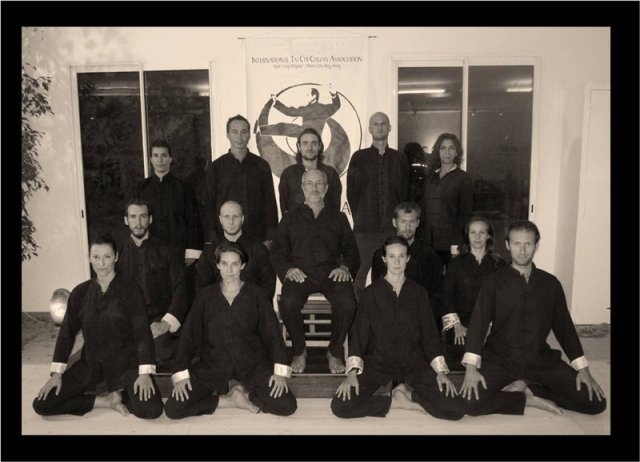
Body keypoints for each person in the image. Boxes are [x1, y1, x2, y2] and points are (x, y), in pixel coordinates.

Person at [460, 221, 606, 417]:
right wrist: (471, 369)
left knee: (596, 403)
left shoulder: (550, 284)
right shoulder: (493, 282)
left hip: (540, 360)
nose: (522, 251)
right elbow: (477, 326)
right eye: (517, 244)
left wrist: (583, 369)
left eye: (527, 244)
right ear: (508, 245)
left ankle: (534, 389)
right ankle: (524, 399)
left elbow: (565, 329)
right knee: (469, 403)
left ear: (536, 245)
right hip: (501, 360)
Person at [331, 236, 464, 420]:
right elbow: (359, 336)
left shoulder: (419, 293)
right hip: (378, 363)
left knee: (456, 409)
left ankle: (409, 395)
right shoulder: (370, 294)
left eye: (401, 256)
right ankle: (393, 402)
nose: (397, 262)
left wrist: (440, 373)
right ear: (384, 259)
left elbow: (430, 336)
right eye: (391, 256)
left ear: (408, 258)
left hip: (414, 363)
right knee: (341, 406)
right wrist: (352, 374)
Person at [33, 235, 163, 419]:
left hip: (126, 365)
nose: (101, 263)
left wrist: (144, 373)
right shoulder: (80, 292)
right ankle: (106, 401)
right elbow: (66, 334)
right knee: (42, 404)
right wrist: (56, 374)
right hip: (90, 364)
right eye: (96, 257)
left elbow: (142, 332)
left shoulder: (131, 290)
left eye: (107, 256)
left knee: (151, 410)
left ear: (116, 257)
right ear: (89, 258)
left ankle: (120, 389)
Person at [164, 242, 297, 419]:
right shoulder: (205, 297)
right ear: (218, 265)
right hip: (213, 366)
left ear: (243, 265)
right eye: (224, 263)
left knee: (287, 405)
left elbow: (273, 335)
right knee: (173, 408)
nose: (229, 270)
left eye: (235, 264)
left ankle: (247, 396)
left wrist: (279, 373)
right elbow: (188, 337)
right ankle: (228, 401)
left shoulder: (257, 295)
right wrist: (181, 374)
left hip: (252, 365)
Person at [270, 169, 359, 374]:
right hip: (301, 274)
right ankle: (299, 351)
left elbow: (352, 252)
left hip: (331, 274)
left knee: (348, 302)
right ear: (302, 188)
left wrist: (344, 268)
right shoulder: (290, 218)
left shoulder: (338, 218)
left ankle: (334, 351)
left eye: (319, 184)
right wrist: (288, 270)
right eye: (309, 183)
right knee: (288, 301)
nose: (314, 188)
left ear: (326, 188)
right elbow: (276, 253)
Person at [117, 199, 188, 367]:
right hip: (126, 319)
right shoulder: (117, 253)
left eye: (143, 216)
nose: (138, 222)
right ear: (126, 220)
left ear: (150, 219)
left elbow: (181, 289)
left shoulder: (167, 250)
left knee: (162, 352)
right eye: (133, 217)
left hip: (158, 318)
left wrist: (165, 324)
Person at [347, 112, 409, 295]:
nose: (380, 127)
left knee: (392, 274)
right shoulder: (359, 158)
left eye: (383, 124)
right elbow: (352, 193)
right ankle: (358, 312)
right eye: (376, 124)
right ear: (369, 129)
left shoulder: (400, 159)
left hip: (392, 229)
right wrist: (362, 217)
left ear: (389, 128)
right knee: (360, 274)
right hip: (365, 229)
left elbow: (405, 193)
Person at [135, 139, 203, 305]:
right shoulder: (142, 188)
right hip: (151, 251)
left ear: (170, 159)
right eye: (156, 156)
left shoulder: (183, 188)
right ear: (150, 159)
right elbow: (135, 218)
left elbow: (193, 219)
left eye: (164, 155)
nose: (160, 160)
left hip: (178, 250)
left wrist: (191, 251)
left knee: (180, 293)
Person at [440, 215, 506, 367]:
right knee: (462, 351)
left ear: (488, 236)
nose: (477, 237)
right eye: (473, 232)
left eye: (482, 232)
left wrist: (491, 327)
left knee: (493, 355)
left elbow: (503, 299)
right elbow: (446, 297)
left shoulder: (499, 265)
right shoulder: (456, 264)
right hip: (461, 323)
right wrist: (456, 325)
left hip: (491, 322)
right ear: (467, 235)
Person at [205, 115, 278, 247]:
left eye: (244, 132)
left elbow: (270, 204)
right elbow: (209, 205)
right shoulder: (215, 167)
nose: (240, 136)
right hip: (224, 238)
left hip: (257, 237)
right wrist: (212, 238)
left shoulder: (261, 166)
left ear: (249, 135)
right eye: (235, 132)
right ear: (227, 135)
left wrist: (270, 237)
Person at [370, 202, 443, 322]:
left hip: (420, 318)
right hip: (388, 318)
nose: (408, 227)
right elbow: (377, 292)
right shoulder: (380, 255)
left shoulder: (429, 255)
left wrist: (425, 318)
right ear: (394, 222)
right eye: (403, 221)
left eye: (412, 222)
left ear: (418, 223)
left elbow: (437, 294)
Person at [196, 200, 276, 300]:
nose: (231, 222)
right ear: (220, 219)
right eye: (227, 217)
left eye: (235, 217)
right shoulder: (209, 251)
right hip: (219, 306)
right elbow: (202, 287)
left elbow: (268, 287)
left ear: (242, 219)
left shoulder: (258, 249)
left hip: (251, 305)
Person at [419, 133, 473, 268]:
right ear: (438, 151)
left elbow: (465, 215)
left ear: (457, 152)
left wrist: (457, 244)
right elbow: (423, 210)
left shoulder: (464, 179)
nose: (447, 152)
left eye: (451, 148)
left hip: (450, 244)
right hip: (428, 242)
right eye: (443, 148)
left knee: (452, 278)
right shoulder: (430, 177)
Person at [278, 127, 342, 214]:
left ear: (319, 146)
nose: (310, 148)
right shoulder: (288, 174)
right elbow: (285, 209)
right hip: (295, 222)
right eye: (305, 143)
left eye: (314, 143)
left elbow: (335, 209)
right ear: (299, 146)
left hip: (325, 222)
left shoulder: (331, 174)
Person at [259, 87, 341, 140]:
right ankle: (262, 130)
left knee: (284, 127)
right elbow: (336, 106)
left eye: (308, 95)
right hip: (310, 135)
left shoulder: (308, 109)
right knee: (286, 127)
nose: (306, 96)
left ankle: (262, 130)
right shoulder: (323, 108)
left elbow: (289, 111)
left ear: (314, 96)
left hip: (308, 135)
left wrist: (276, 103)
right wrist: (334, 94)